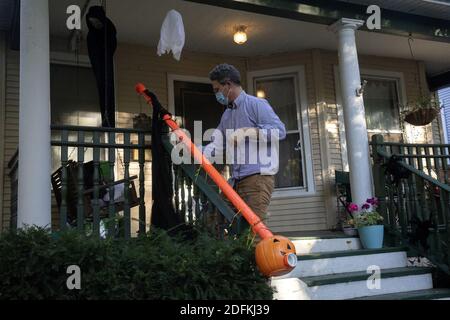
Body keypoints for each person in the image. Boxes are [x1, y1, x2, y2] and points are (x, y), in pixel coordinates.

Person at [203, 63, 286, 234]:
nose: (216, 94)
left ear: (228, 85)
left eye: (216, 89)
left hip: (257, 179)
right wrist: (189, 148)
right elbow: (216, 146)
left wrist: (248, 131)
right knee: (216, 222)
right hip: (235, 181)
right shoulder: (227, 115)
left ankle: (256, 261)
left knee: (254, 233)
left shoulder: (257, 104)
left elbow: (280, 131)